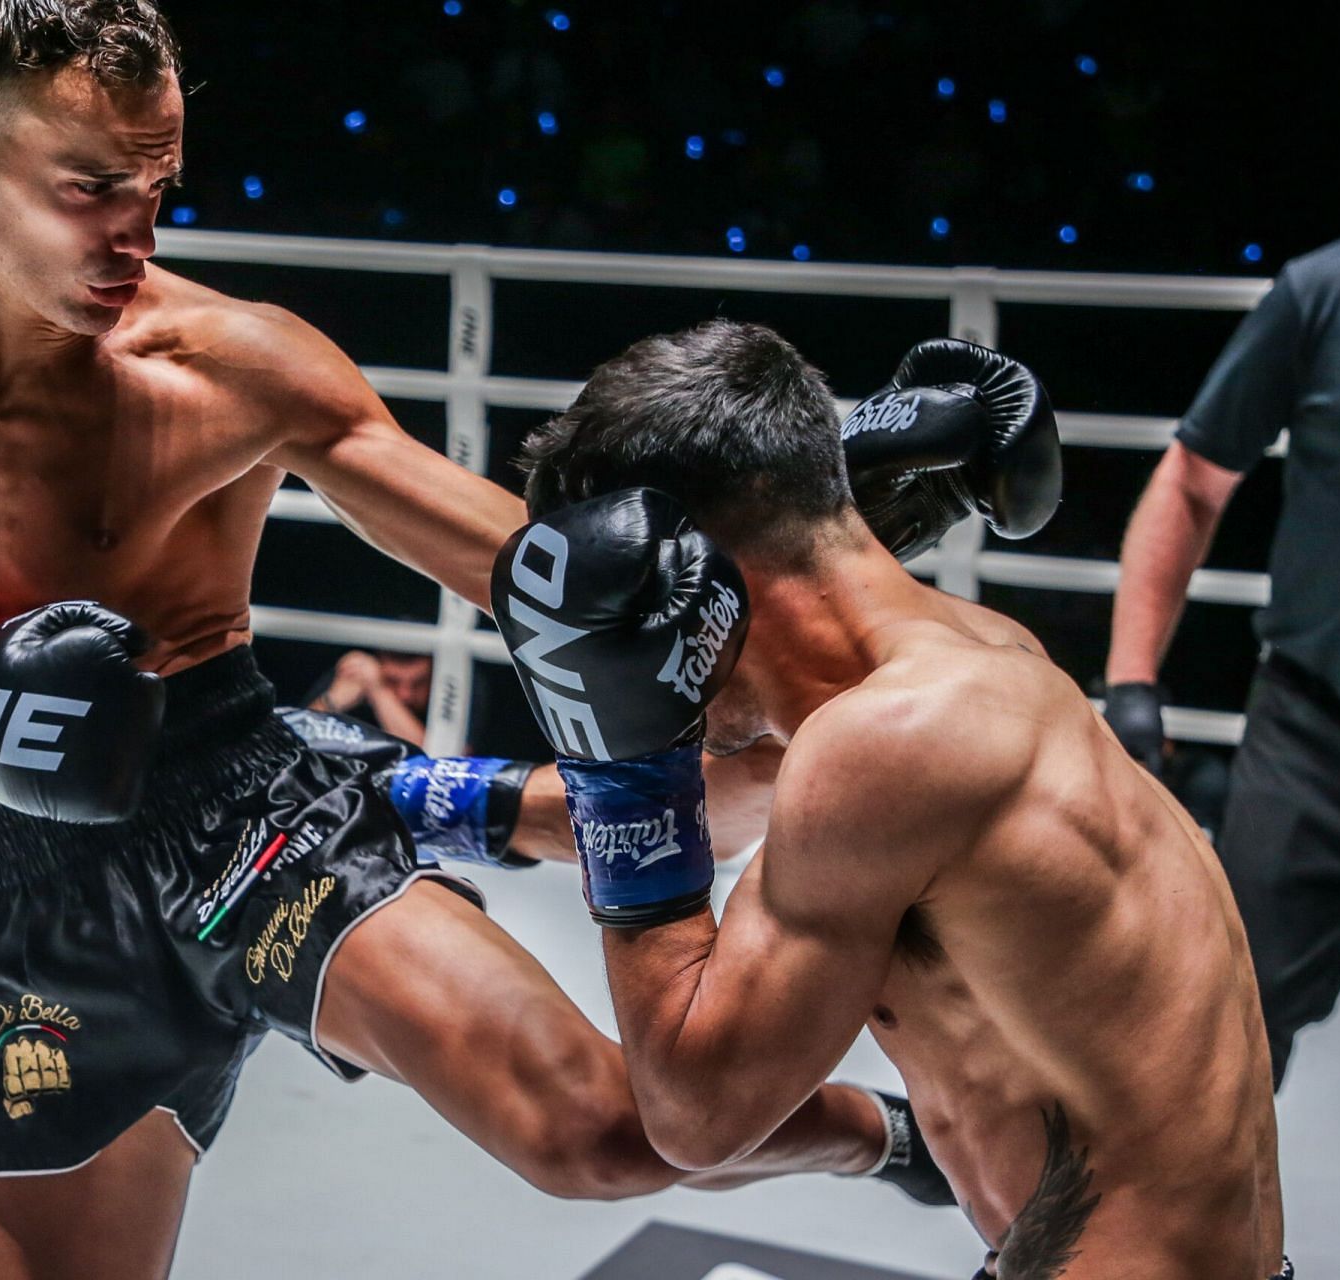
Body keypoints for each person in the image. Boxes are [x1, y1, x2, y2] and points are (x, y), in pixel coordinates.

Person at [0, 5, 935, 1275]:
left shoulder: (234, 366)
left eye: (158, 185)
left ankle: (903, 1140)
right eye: (90, 189)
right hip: (48, 898)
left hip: (256, 824)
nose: (135, 236)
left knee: (601, 1136)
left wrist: (840, 516)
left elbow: (545, 575)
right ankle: (473, 803)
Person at [487, 322, 1288, 1278]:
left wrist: (614, 763)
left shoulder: (886, 747)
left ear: (694, 584)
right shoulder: (984, 652)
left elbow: (695, 1116)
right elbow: (782, 657)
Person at [1104, 223, 1340, 1088]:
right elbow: (1194, 475)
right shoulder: (1331, 287)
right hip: (1320, 731)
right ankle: (1190, 1228)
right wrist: (1131, 680)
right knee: (1223, 1022)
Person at [307, 647, 433, 742]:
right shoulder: (354, 680)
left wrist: (378, 690)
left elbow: (433, 760)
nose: (406, 695)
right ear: (378, 669)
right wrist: (331, 701)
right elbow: (297, 741)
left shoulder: (441, 699)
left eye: (419, 683)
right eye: (393, 682)